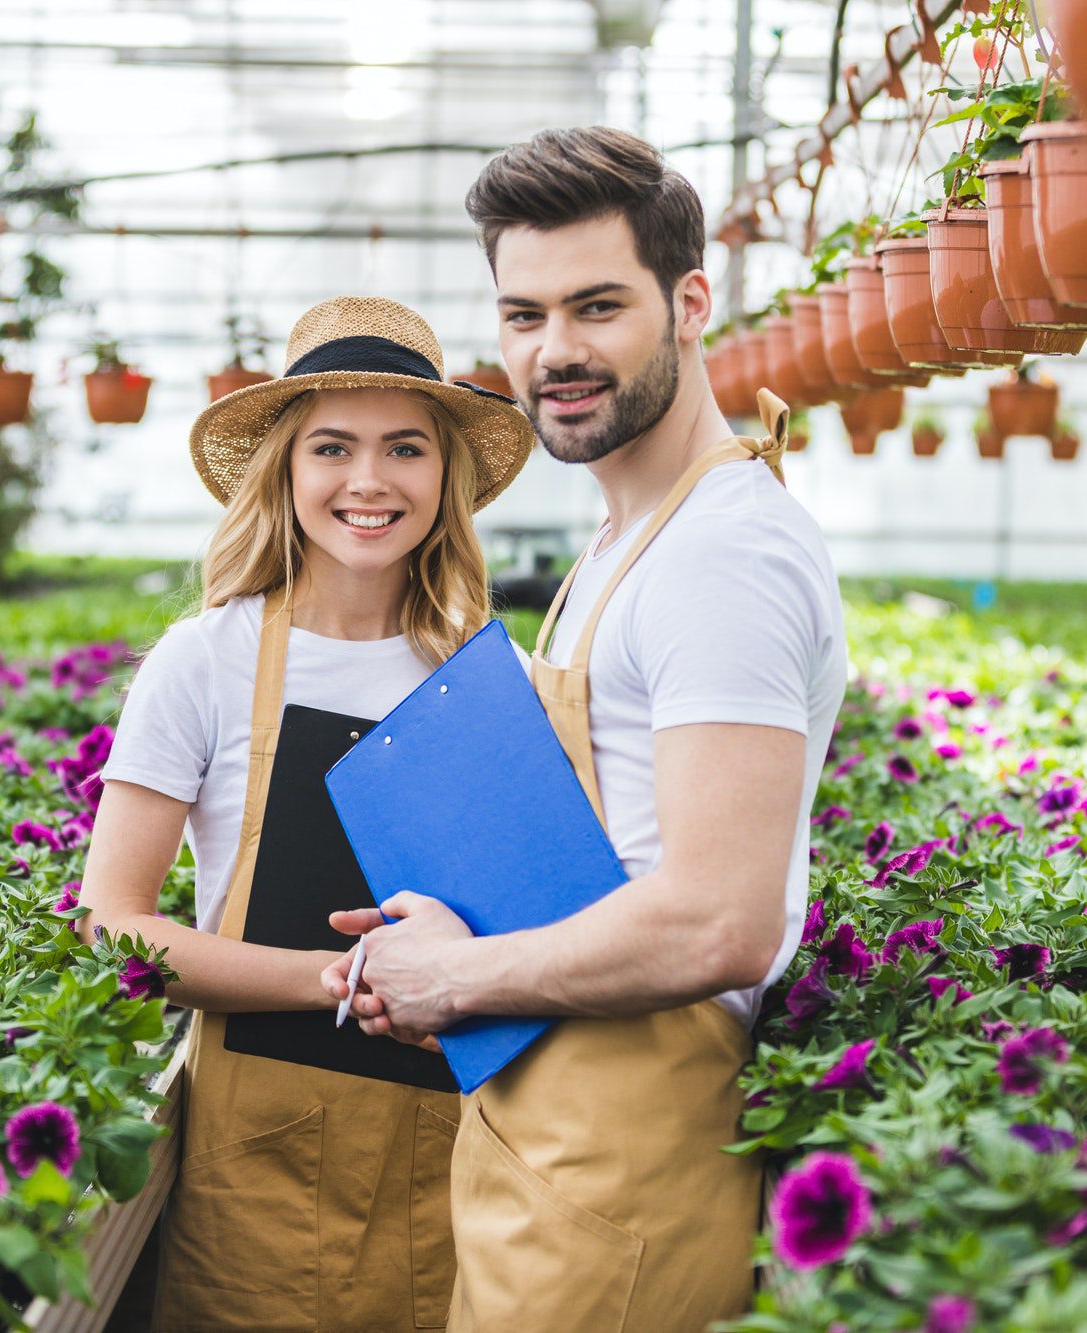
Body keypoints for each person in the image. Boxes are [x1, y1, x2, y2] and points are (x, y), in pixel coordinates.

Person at [327, 127, 849, 1331]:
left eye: (596, 306)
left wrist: (454, 976)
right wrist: (435, 930)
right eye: (521, 316)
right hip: (548, 1130)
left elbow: (717, 917)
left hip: (626, 1156)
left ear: (687, 302)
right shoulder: (626, 539)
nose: (552, 352)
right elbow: (620, 851)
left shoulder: (723, 552)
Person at [78, 295, 535, 1331]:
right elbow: (111, 922)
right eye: (332, 446)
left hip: (452, 1162)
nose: (368, 481)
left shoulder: (482, 673)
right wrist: (345, 981)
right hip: (258, 1165)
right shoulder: (204, 659)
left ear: (445, 477)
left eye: (404, 449)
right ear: (283, 467)